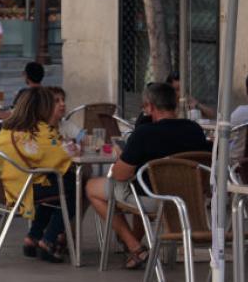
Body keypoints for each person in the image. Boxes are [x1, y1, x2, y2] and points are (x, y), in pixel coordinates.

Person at [86, 82, 209, 270]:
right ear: (174, 104)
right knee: (140, 185)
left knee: (92, 187)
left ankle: (134, 247)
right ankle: (134, 243)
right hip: (185, 200)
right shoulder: (195, 129)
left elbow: (119, 175)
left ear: (150, 106)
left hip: (153, 200)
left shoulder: (144, 133)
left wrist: (121, 155)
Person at [0, 87, 75, 263]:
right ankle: (49, 240)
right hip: (25, 190)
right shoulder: (39, 131)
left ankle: (33, 237)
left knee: (56, 186)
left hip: (7, 186)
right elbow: (62, 156)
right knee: (74, 189)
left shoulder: (7, 129)